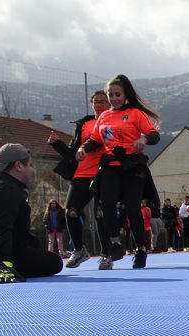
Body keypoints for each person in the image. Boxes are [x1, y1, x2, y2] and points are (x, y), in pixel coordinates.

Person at [76, 74, 161, 269]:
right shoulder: (104, 116)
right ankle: (115, 243)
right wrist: (83, 149)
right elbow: (95, 139)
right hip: (111, 165)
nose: (114, 98)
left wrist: (143, 140)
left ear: (125, 95)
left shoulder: (135, 113)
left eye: (117, 94)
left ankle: (140, 249)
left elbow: (154, 135)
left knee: (132, 208)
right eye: (110, 95)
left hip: (132, 166)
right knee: (106, 204)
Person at [0, 143, 63, 283]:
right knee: (55, 262)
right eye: (30, 165)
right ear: (19, 166)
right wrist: (4, 263)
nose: (32, 170)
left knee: (34, 242)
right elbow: (2, 227)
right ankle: (3, 264)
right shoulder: (9, 189)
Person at [49, 89, 113, 269]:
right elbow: (73, 153)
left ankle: (106, 254)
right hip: (82, 174)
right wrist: (57, 143)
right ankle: (79, 250)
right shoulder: (84, 124)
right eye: (96, 102)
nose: (99, 104)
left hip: (104, 173)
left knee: (101, 214)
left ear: (109, 105)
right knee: (70, 211)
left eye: (103, 101)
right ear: (92, 104)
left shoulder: (113, 121)